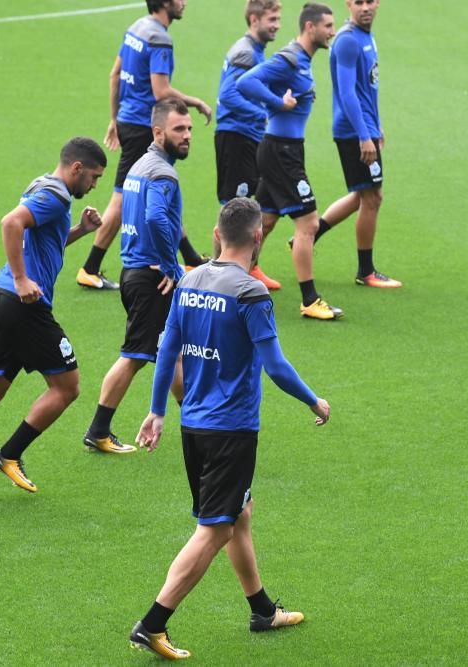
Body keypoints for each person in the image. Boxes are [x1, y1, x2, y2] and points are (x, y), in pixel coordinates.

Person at [127, 197, 331, 660]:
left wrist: (158, 411)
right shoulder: (250, 294)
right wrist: (313, 400)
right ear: (259, 236)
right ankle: (152, 623)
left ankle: (261, 610)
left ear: (217, 234)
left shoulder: (190, 278)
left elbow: (168, 351)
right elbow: (275, 366)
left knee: (239, 512)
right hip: (231, 429)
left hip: (193, 424)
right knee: (214, 528)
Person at [0, 138, 107, 497]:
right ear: (76, 168)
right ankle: (9, 454)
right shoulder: (57, 195)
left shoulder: (41, 184)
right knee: (67, 387)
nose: (93, 186)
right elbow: (11, 222)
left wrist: (80, 231)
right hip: (22, 302)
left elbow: (41, 242)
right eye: (93, 177)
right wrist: (21, 278)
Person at [83, 98, 193, 456]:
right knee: (134, 356)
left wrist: (188, 256)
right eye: (179, 129)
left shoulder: (139, 167)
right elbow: (156, 218)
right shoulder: (162, 172)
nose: (187, 135)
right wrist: (172, 265)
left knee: (172, 351)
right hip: (150, 278)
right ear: (158, 132)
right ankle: (98, 430)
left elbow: (166, 220)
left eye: (189, 128)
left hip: (134, 272)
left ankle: (196, 420)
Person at [77, 0, 211, 292]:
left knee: (156, 191)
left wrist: (114, 118)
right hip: (143, 126)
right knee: (124, 196)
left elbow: (115, 74)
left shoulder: (136, 28)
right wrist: (196, 102)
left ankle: (189, 256)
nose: (184, 3)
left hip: (128, 119)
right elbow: (161, 91)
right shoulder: (160, 38)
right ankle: (90, 267)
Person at [237, 3, 343, 320]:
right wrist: (276, 104)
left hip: (284, 149)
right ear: (310, 27)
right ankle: (310, 300)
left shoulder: (303, 60)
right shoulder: (289, 58)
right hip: (281, 151)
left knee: (265, 221)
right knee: (308, 223)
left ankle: (235, 277)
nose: (332, 31)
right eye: (327, 25)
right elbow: (245, 83)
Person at [310, 0, 402, 288]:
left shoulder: (365, 36)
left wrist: (376, 127)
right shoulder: (348, 41)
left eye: (370, 1)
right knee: (372, 198)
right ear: (348, 4)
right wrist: (364, 135)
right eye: (358, 2)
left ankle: (308, 235)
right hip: (353, 132)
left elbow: (366, 89)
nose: (366, 7)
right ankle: (366, 271)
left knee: (362, 194)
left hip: (363, 127)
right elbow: (348, 94)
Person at [215, 0, 284, 291]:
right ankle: (217, 274)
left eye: (278, 19)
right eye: (272, 18)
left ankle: (249, 267)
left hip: (247, 137)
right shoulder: (245, 52)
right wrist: (264, 112)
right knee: (233, 209)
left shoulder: (253, 50)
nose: (277, 25)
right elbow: (228, 95)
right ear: (254, 19)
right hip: (236, 136)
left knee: (252, 205)